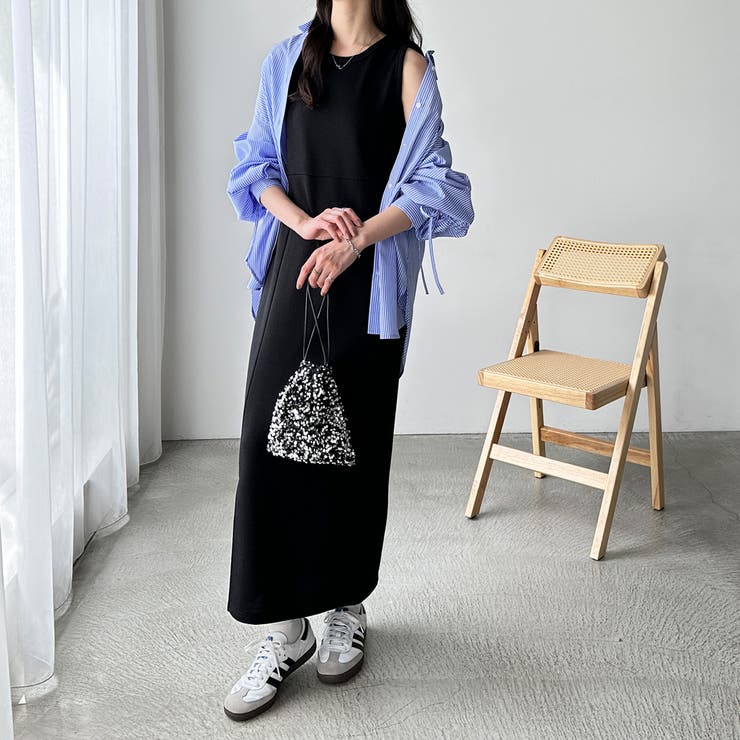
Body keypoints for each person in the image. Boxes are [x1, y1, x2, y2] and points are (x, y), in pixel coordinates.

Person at [223, 0, 474, 722]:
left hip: (367, 289)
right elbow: (257, 167)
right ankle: (283, 630)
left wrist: (358, 237)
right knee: (267, 448)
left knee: (353, 451)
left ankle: (345, 606)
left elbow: (436, 187)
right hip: (295, 275)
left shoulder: (406, 67)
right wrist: (307, 223)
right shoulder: (287, 60)